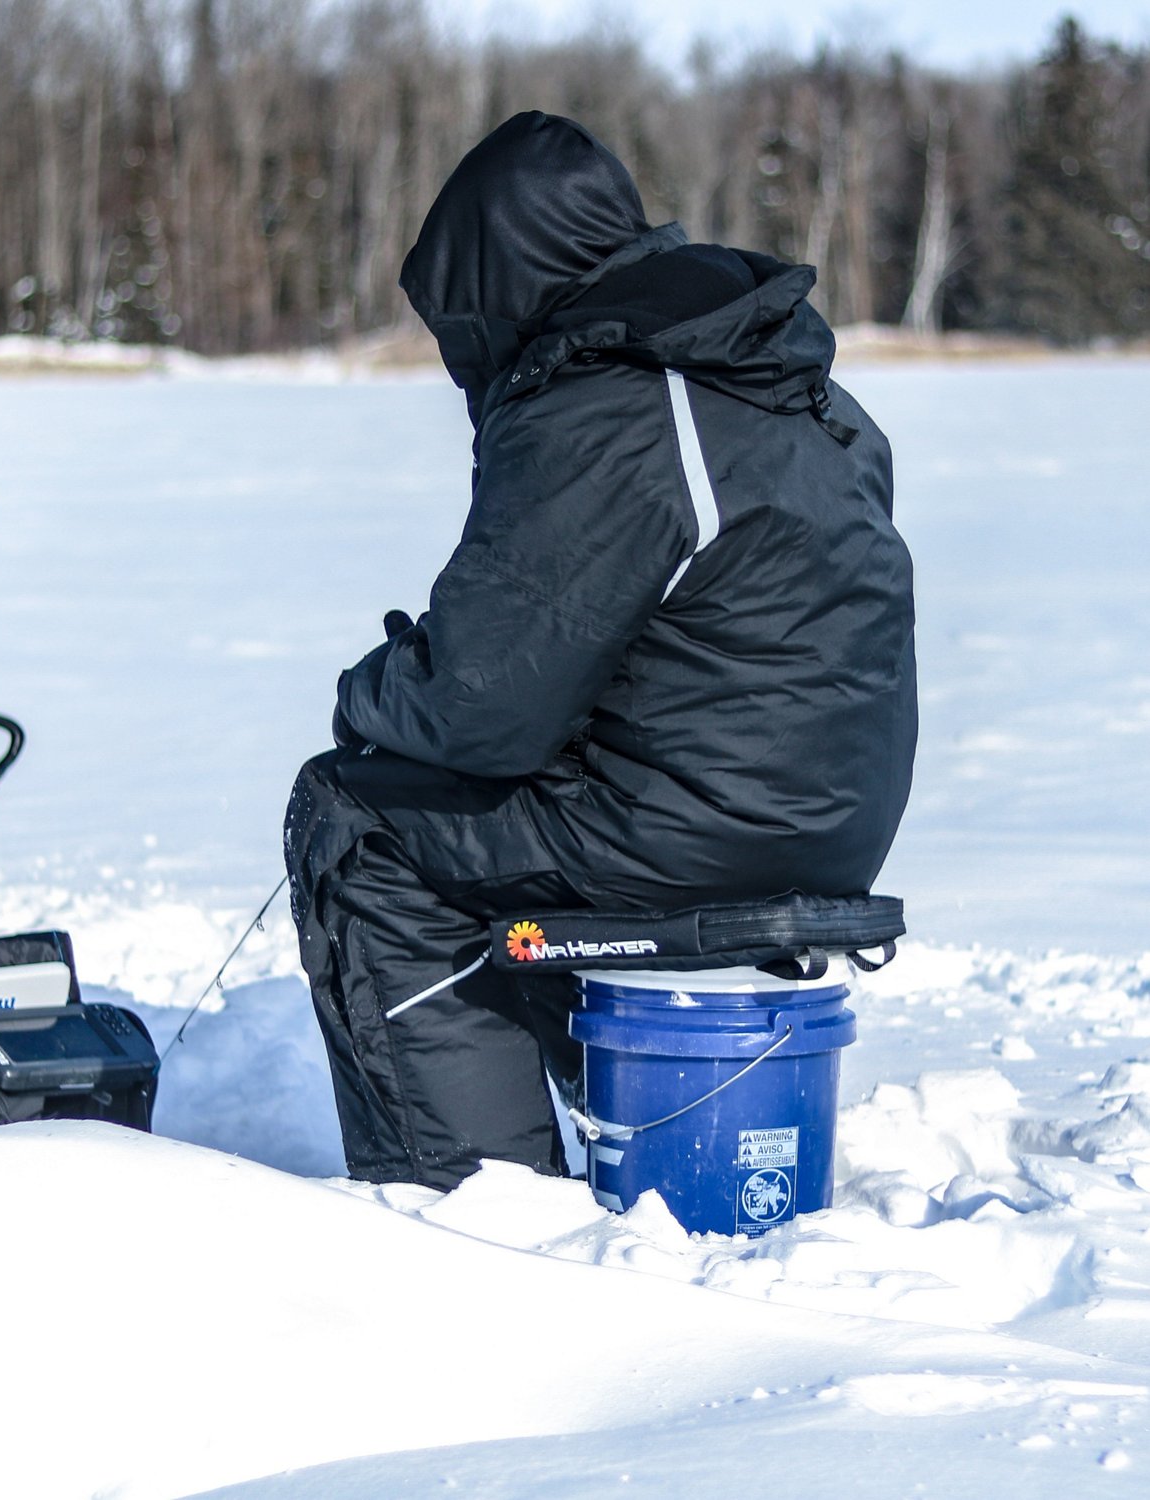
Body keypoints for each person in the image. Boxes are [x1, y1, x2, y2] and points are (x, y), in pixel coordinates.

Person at [284, 111, 917, 1192]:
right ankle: (615, 1104)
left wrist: (367, 697)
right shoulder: (777, 374)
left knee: (359, 820)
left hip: (698, 825)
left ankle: (467, 1204)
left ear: (498, 284)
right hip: (835, 818)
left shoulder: (603, 403)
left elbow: (476, 705)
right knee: (509, 812)